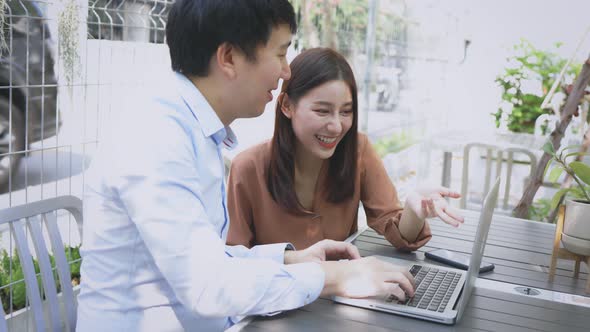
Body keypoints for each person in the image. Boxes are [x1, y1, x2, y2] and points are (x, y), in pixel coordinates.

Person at [76, 1, 416, 331]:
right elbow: (208, 286)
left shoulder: (192, 127)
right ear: (229, 58)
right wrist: (337, 277)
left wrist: (290, 259)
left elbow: (208, 261)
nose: (286, 71)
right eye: (281, 53)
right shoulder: (157, 137)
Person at [227, 48, 464, 251]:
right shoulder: (248, 168)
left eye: (346, 111)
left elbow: (401, 234)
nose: (337, 126)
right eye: (322, 111)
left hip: (339, 295)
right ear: (287, 106)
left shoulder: (358, 149)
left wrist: (414, 208)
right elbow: (234, 263)